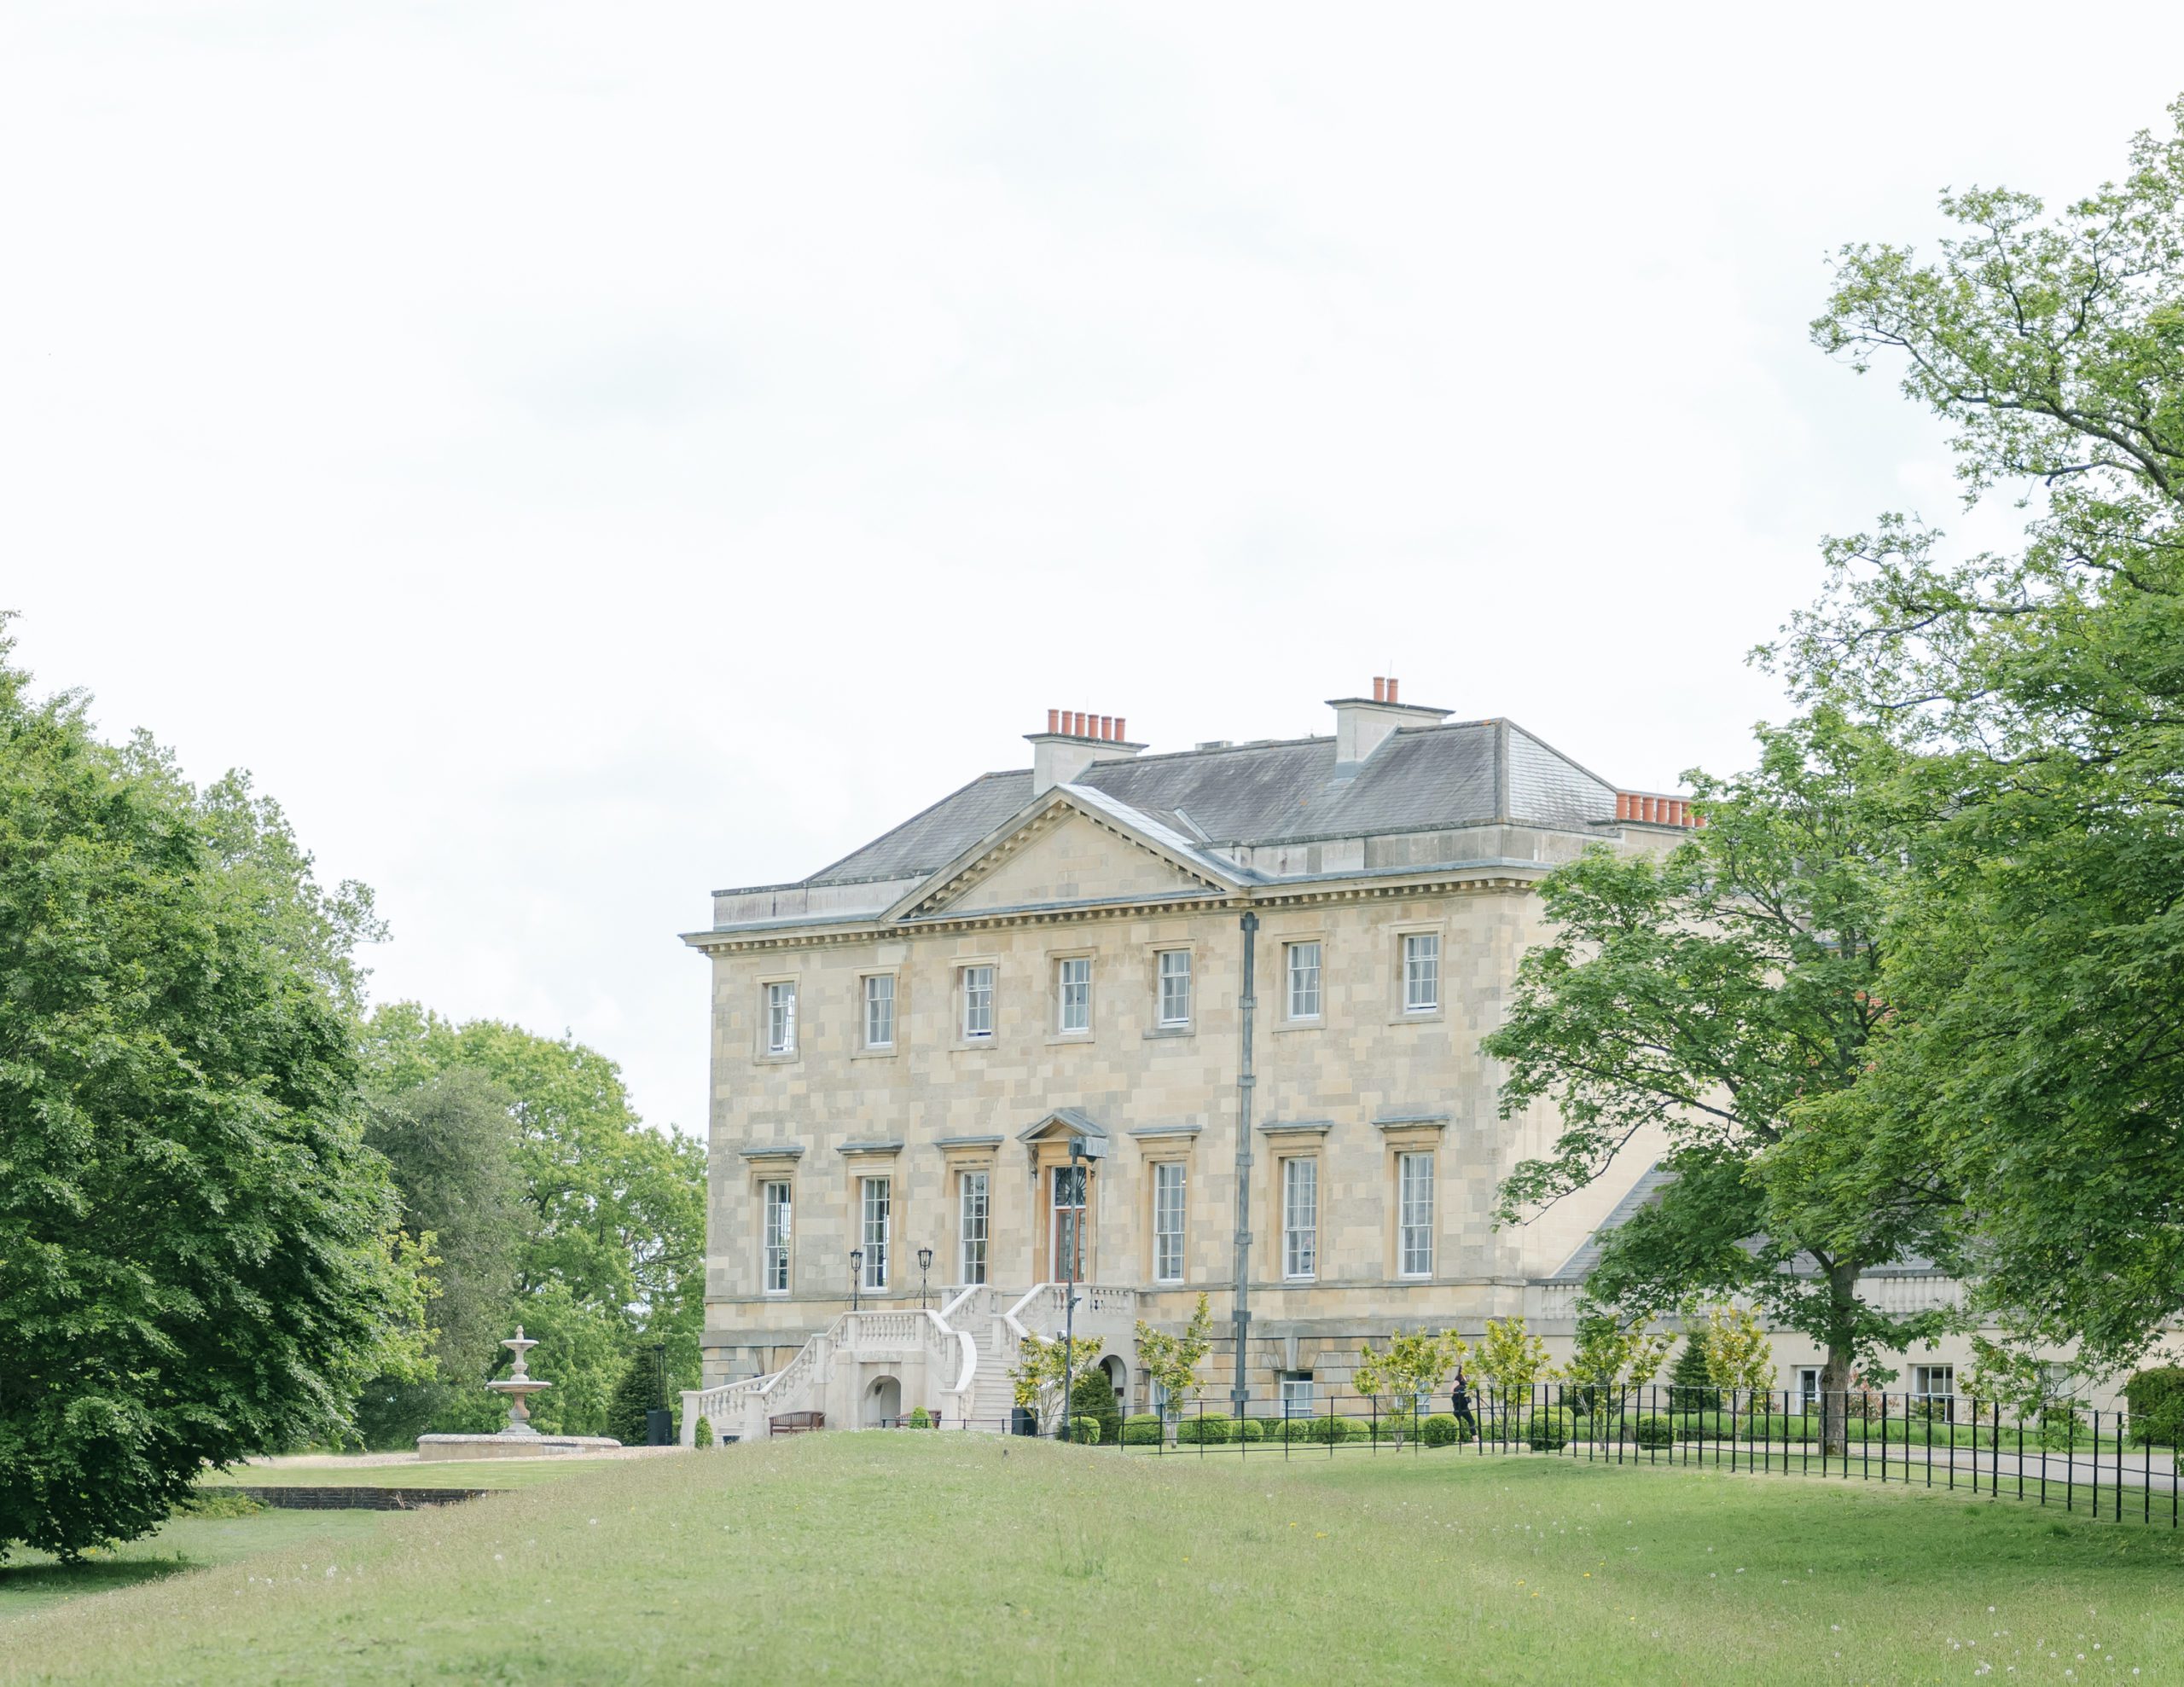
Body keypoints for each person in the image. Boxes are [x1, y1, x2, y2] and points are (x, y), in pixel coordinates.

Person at [1449, 1368, 1479, 1441]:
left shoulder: (1467, 1378)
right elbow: (1452, 1390)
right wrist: (1462, 1389)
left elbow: (1470, 1391)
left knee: (1471, 1420)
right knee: (1459, 1421)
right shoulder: (1459, 1378)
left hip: (1464, 1404)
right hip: (1458, 1404)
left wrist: (1479, 1398)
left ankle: (1474, 1437)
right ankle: (1464, 1438)